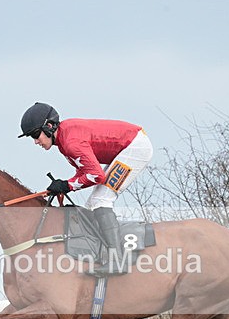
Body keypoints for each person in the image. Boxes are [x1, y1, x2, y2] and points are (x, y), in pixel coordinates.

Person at [18, 102, 153, 275]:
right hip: (128, 145)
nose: (36, 141)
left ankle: (117, 260)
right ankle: (105, 254)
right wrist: (65, 185)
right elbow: (84, 171)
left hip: (135, 147)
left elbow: (96, 175)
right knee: (92, 205)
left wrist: (66, 185)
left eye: (36, 135)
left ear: (49, 126)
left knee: (101, 200)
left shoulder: (70, 142)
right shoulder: (63, 139)